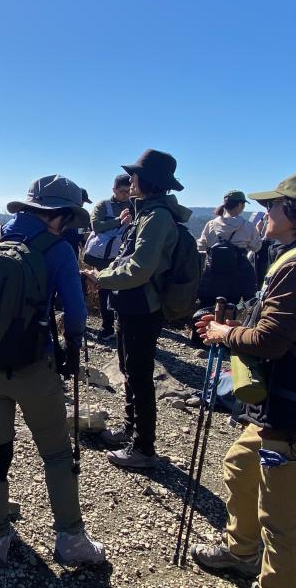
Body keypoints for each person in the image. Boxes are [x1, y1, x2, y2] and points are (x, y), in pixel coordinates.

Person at [192, 171, 296, 588]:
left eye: (273, 206)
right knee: (241, 464)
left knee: (281, 523)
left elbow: (272, 339)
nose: (265, 213)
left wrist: (226, 334)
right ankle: (241, 552)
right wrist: (233, 327)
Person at [0, 175, 105, 568]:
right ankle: (71, 540)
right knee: (57, 453)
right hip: (32, 369)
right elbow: (76, 314)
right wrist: (73, 348)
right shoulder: (57, 250)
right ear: (58, 215)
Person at [82, 149, 192, 468]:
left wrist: (101, 277)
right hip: (131, 302)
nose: (130, 181)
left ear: (146, 181)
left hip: (143, 306)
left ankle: (143, 447)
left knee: (139, 374)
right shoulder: (145, 213)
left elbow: (140, 268)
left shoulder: (156, 217)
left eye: (135, 176)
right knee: (130, 369)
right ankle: (131, 430)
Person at [86, 174, 132, 340]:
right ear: (114, 190)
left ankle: (121, 326)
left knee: (123, 291)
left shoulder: (134, 205)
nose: (126, 195)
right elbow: (96, 226)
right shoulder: (103, 205)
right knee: (104, 290)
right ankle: (107, 327)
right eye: (122, 191)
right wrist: (119, 221)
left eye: (128, 191)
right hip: (104, 257)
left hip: (125, 255)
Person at [196, 190, 262, 307]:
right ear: (240, 205)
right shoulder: (247, 226)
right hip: (238, 277)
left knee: (207, 308)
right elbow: (256, 247)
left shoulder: (211, 224)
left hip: (213, 275)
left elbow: (201, 245)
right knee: (233, 309)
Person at [61, 189, 92, 260]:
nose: (82, 204)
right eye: (82, 201)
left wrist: (84, 233)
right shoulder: (63, 213)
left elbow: (79, 229)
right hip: (64, 251)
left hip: (73, 251)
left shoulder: (78, 214)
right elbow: (66, 232)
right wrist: (82, 235)